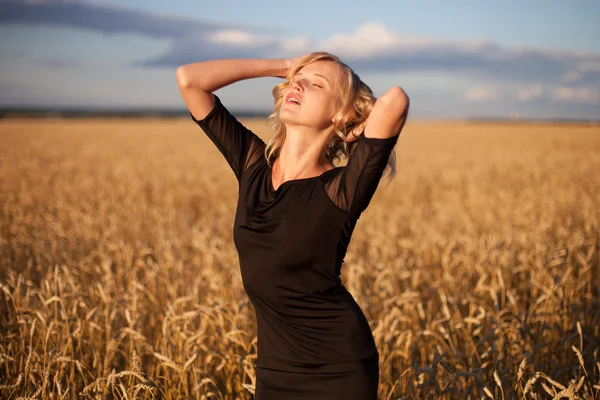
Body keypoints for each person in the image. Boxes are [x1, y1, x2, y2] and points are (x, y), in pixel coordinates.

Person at [176, 52, 409, 400]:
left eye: (316, 84)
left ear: (342, 114)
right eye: (294, 81)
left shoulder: (341, 190)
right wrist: (283, 67)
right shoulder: (252, 164)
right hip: (274, 368)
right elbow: (189, 79)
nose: (297, 84)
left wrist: (357, 118)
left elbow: (395, 101)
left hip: (338, 367)